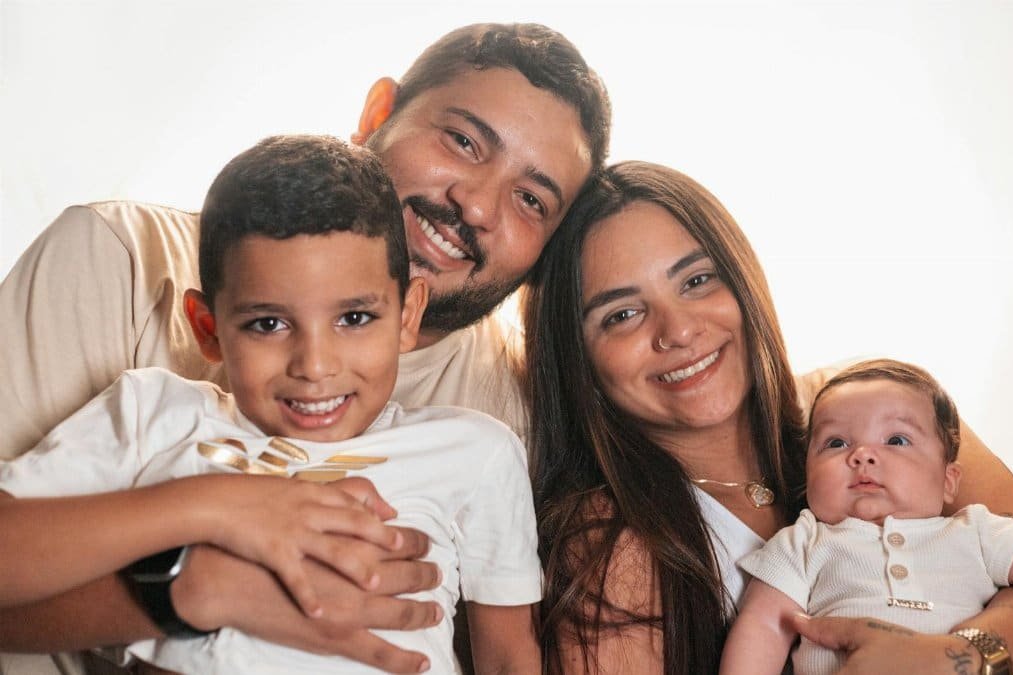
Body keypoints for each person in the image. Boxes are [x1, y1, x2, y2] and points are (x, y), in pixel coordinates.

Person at [0, 22, 609, 674]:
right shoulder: (121, 265)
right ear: (379, 112)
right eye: (462, 141)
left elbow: (508, 647)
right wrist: (195, 585)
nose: (477, 205)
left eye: (530, 198)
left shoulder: (506, 424)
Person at [524, 161, 1013, 675]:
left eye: (698, 280)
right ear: (578, 360)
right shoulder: (607, 538)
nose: (677, 330)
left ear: (742, 279)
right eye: (622, 314)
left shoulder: (874, 407)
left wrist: (953, 659)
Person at [721, 359, 1013, 675]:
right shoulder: (805, 541)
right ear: (807, 479)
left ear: (948, 481)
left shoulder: (972, 530)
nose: (862, 455)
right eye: (836, 442)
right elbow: (764, 626)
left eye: (896, 440)